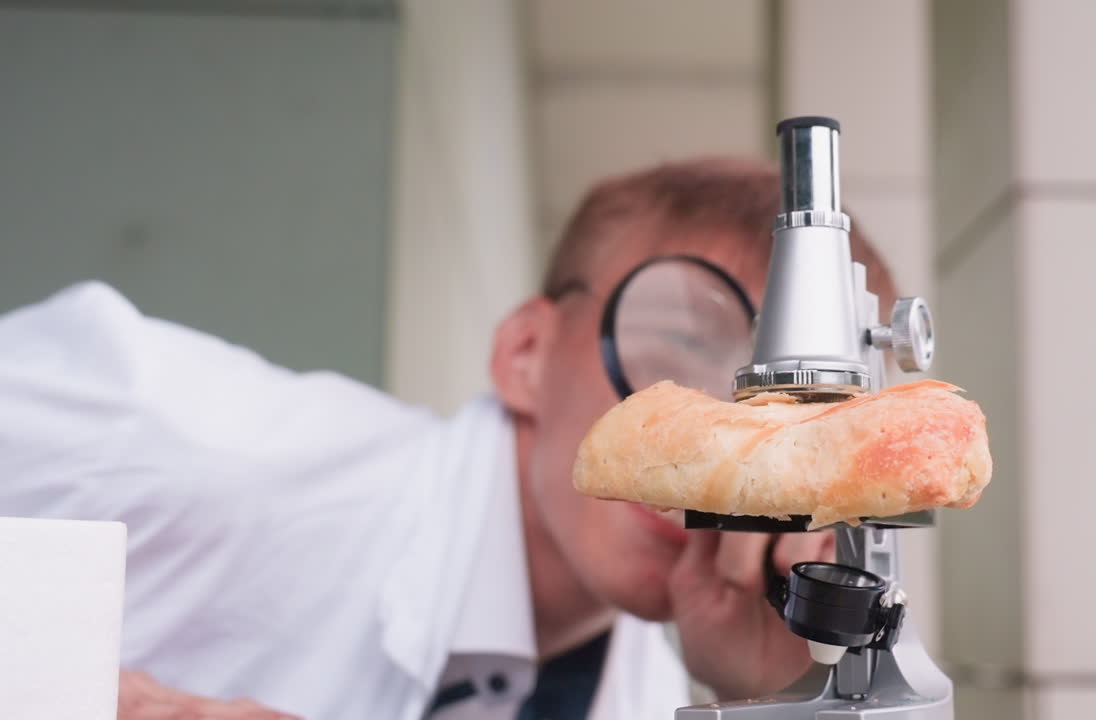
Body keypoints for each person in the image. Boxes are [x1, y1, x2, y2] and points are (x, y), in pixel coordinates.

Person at [0, 156, 899, 720]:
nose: (725, 449)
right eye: (679, 352)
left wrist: (779, 700)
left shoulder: (660, 696)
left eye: (800, 415)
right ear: (523, 353)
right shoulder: (172, 432)